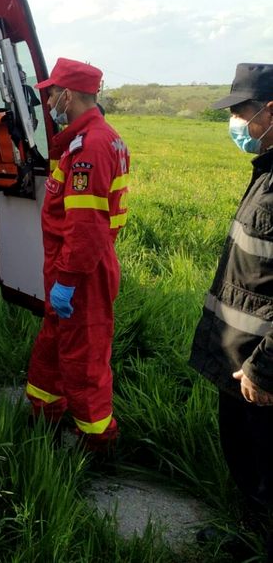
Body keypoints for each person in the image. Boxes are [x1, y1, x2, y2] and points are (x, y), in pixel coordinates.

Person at [24, 57, 130, 452]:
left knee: (84, 360)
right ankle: (45, 414)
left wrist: (67, 281)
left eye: (53, 93)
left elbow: (86, 227)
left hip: (82, 271)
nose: (50, 100)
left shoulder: (92, 147)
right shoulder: (87, 140)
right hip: (69, 266)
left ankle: (97, 442)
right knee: (52, 347)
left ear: (68, 95)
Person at [189, 63, 273, 558]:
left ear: (270, 111)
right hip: (240, 357)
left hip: (260, 367)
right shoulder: (266, 170)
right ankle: (249, 536)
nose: (236, 123)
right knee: (249, 462)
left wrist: (264, 369)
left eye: (242, 112)